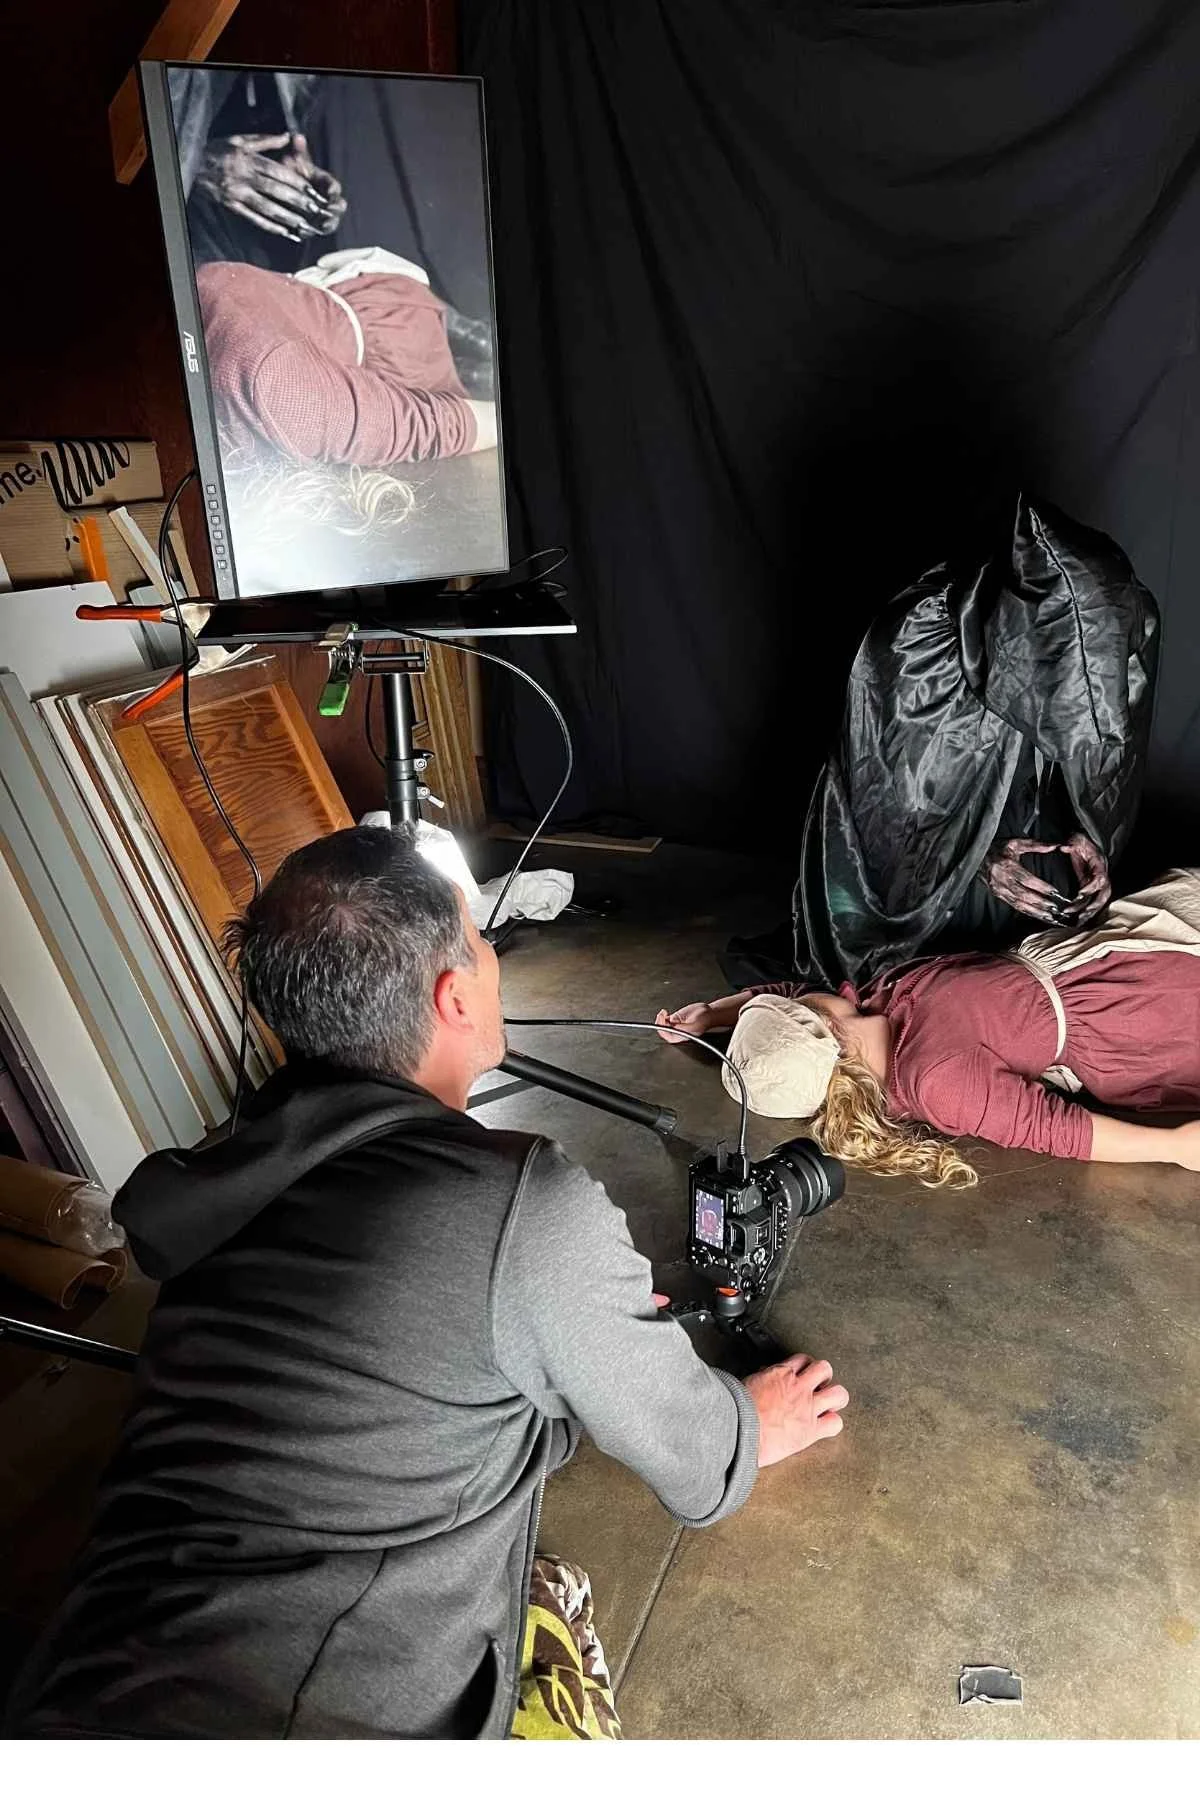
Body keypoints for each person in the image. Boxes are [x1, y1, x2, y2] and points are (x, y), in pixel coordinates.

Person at [5, 827, 848, 1741]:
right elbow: (694, 1461)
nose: (491, 958)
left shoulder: (223, 1185)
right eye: (482, 941)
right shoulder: (521, 1204)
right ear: (455, 998)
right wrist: (747, 1427)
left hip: (84, 1682)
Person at [773, 495, 1160, 991]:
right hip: (925, 854)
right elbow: (886, 815)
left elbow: (1107, 766)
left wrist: (1093, 835)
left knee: (1065, 908)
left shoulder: (1134, 628)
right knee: (935, 974)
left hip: (1027, 815)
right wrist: (979, 861)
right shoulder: (920, 644)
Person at [660, 870, 1200, 1187]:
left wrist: (711, 1014)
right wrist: (1172, 1146)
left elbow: (780, 996)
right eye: (804, 1006)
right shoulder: (934, 1079)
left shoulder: (867, 1011)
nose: (799, 990)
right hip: (1129, 1015)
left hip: (1083, 961)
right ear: (829, 1027)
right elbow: (1057, 1130)